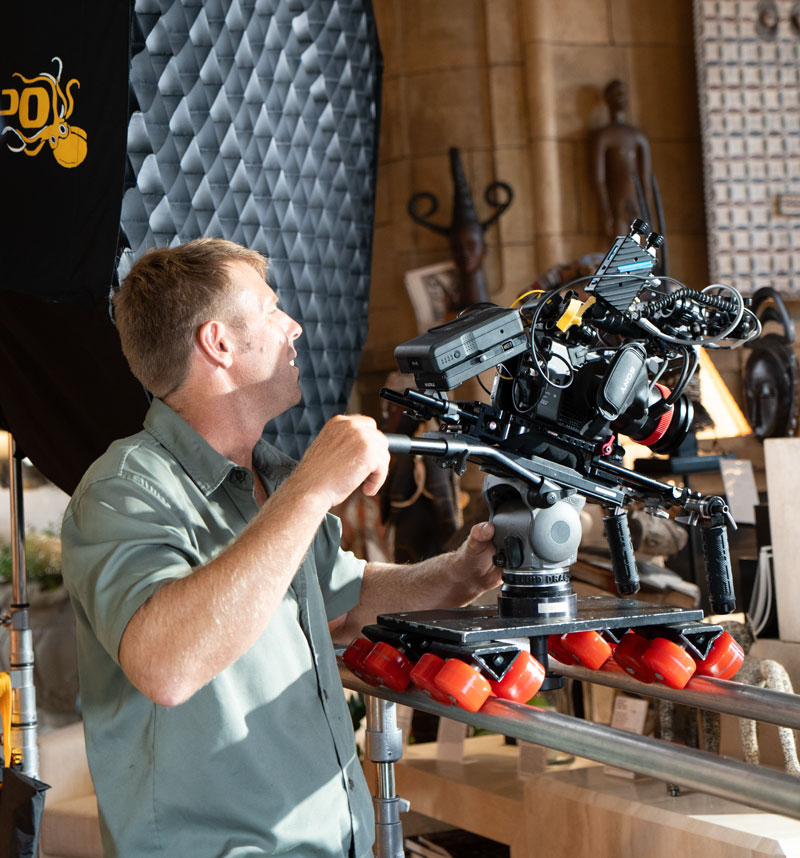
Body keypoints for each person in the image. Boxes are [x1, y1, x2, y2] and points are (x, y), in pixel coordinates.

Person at [60, 238, 501, 858]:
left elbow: (340, 604)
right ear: (219, 344)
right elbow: (166, 664)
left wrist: (460, 576)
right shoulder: (122, 490)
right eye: (271, 310)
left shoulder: (273, 480)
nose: (292, 325)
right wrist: (315, 488)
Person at [591, 79, 653, 240]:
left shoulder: (637, 136)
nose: (622, 97)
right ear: (608, 98)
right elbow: (599, 179)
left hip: (636, 202)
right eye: (618, 93)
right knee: (619, 250)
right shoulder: (604, 137)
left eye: (624, 93)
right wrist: (605, 212)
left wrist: (646, 211)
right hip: (616, 202)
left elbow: (646, 180)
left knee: (638, 253)